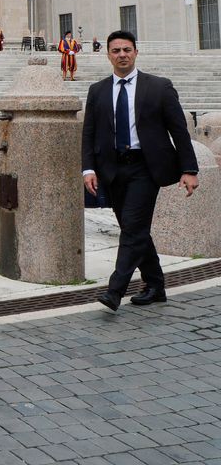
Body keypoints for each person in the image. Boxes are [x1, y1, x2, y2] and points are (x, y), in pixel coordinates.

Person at [83, 31, 198, 312]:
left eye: (126, 49)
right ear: (107, 54)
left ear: (136, 52)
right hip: (111, 169)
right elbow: (89, 133)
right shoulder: (97, 91)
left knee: (133, 228)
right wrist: (88, 169)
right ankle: (156, 285)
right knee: (134, 229)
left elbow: (179, 131)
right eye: (116, 50)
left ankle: (115, 291)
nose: (122, 54)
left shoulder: (159, 87)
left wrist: (189, 169)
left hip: (146, 168)